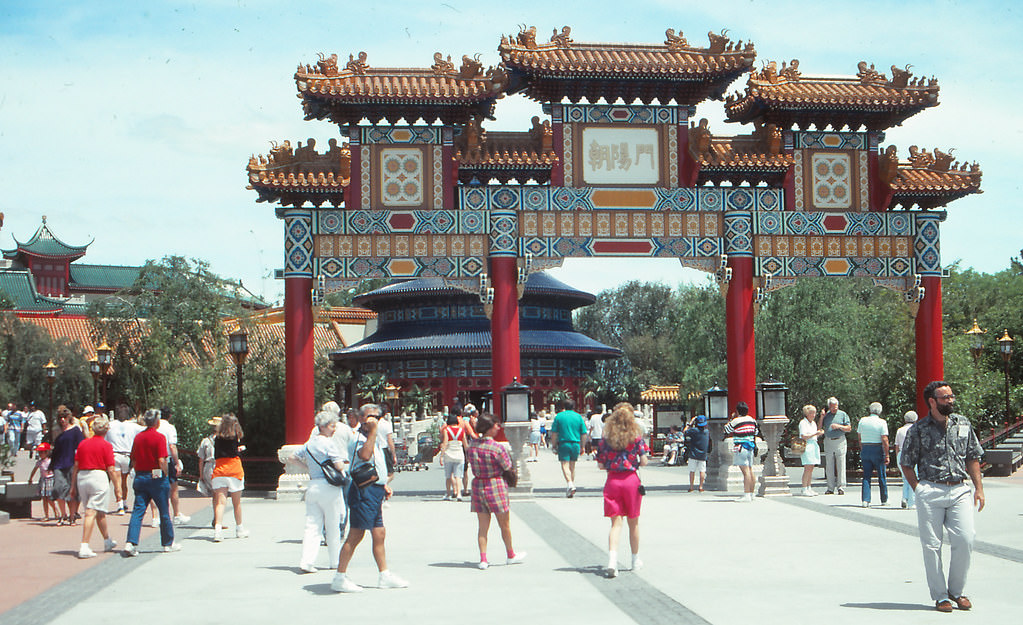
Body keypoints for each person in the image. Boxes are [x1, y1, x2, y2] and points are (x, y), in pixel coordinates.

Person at [901, 381, 984, 612]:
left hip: (959, 490)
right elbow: (906, 463)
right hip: (931, 490)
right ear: (932, 401)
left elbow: (973, 457)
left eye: (951, 396)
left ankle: (956, 591)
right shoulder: (918, 429)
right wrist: (918, 488)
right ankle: (940, 596)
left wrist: (979, 488)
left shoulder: (963, 423)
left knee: (966, 539)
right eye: (945, 397)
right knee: (932, 545)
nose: (950, 400)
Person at [331, 404, 408, 593]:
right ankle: (340, 576)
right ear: (361, 418)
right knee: (356, 533)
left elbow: (377, 466)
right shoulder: (358, 438)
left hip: (375, 489)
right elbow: (365, 456)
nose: (373, 420)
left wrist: (384, 484)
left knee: (379, 532)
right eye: (369, 416)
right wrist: (373, 432)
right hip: (362, 492)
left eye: (377, 417)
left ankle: (385, 574)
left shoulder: (375, 438)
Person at [465, 413, 526, 571]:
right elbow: (507, 467)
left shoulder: (473, 446)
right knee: (504, 524)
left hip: (478, 485)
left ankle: (483, 559)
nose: (498, 427)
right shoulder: (497, 448)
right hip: (495, 484)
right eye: (496, 425)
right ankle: (510, 554)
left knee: (482, 526)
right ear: (489, 428)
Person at [595, 403, 649, 578]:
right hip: (631, 480)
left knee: (615, 523)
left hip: (612, 481)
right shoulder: (636, 438)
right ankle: (635, 560)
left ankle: (612, 560)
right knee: (633, 522)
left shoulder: (605, 440)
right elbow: (644, 461)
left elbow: (601, 465)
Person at [292, 410, 349, 573]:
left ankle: (307, 561)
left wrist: (308, 468)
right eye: (332, 426)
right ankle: (335, 561)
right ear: (323, 427)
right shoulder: (329, 444)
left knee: (312, 525)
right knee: (332, 525)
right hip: (329, 488)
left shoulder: (309, 444)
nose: (334, 429)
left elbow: (292, 457)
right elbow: (338, 466)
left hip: (313, 485)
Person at [124, 408, 179, 555]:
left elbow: (133, 458)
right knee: (164, 511)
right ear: (157, 421)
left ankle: (131, 542)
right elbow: (162, 460)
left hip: (141, 476)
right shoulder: (159, 437)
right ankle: (168, 542)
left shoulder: (138, 437)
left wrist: (139, 470)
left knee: (138, 510)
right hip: (156, 476)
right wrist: (165, 475)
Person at [70, 415, 120, 558]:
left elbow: (76, 466)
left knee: (99, 511)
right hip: (98, 476)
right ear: (106, 430)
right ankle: (84, 545)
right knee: (92, 512)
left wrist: (72, 486)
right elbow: (111, 469)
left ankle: (107, 540)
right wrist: (117, 488)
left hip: (82, 477)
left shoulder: (83, 444)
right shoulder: (106, 446)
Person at [211, 413, 248, 541]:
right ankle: (239, 529)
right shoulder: (235, 437)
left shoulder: (217, 438)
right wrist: (240, 450)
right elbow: (233, 453)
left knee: (220, 503)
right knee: (236, 503)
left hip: (219, 471)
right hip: (234, 471)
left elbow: (217, 455)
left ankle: (217, 531)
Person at [50, 406, 85, 525]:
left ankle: (72, 516)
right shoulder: (58, 433)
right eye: (60, 418)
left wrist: (80, 463)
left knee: (73, 491)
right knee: (58, 489)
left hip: (72, 464)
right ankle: (62, 515)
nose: (62, 420)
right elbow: (55, 452)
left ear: (69, 418)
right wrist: (51, 466)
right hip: (59, 465)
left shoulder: (75, 431)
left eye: (64, 417)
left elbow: (81, 447)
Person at [104, 405, 139, 515]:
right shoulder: (134, 426)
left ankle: (120, 505)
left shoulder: (110, 425)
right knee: (124, 481)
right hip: (128, 455)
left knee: (116, 482)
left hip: (115, 455)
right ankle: (124, 502)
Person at [550, 398, 587, 497]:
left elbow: (554, 433)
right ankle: (570, 487)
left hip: (564, 443)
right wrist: (583, 446)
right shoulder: (578, 417)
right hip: (575, 443)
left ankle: (570, 484)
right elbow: (583, 433)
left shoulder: (559, 416)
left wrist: (553, 445)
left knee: (564, 464)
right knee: (572, 466)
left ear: (564, 406)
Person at [722, 402, 758, 502]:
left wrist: (732, 419)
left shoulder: (736, 421)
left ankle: (746, 494)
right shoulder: (752, 420)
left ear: (737, 411)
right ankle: (751, 493)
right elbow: (756, 432)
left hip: (740, 447)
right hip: (750, 446)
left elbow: (726, 430)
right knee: (750, 470)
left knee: (745, 472)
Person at [857, 402, 890, 507]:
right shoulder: (882, 422)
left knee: (866, 476)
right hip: (877, 448)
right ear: (880, 411)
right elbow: (884, 439)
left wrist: (862, 448)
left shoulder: (862, 421)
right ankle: (884, 499)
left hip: (866, 447)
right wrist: (887, 454)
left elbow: (859, 436)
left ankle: (865, 500)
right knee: (881, 475)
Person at [819, 397, 851, 495]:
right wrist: (821, 417)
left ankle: (841, 487)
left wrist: (839, 426)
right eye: (832, 407)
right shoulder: (827, 415)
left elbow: (849, 428)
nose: (834, 409)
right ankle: (830, 488)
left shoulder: (843, 414)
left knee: (841, 463)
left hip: (840, 440)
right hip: (829, 441)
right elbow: (819, 428)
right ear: (829, 407)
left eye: (836, 407)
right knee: (829, 464)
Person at [439, 414, 467, 501]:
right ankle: (459, 494)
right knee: (458, 476)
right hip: (459, 455)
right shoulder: (462, 430)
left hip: (449, 455)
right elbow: (465, 444)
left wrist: (441, 455)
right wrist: (468, 455)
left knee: (448, 476)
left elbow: (445, 443)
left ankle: (448, 494)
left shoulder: (446, 430)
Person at [798, 405, 824, 496]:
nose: (813, 415)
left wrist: (818, 434)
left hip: (814, 444)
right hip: (807, 445)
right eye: (811, 413)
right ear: (807, 414)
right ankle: (804, 488)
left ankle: (809, 487)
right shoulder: (803, 423)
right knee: (807, 467)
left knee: (811, 467)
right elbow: (803, 436)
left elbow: (814, 435)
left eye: (814, 413)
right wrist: (815, 433)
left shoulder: (813, 423)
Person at [895, 410, 919, 509]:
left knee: (905, 478)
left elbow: (896, 445)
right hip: (913, 454)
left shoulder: (900, 430)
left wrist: (897, 456)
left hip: (901, 453)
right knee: (913, 478)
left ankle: (904, 498)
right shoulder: (916, 429)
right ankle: (911, 502)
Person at [196, 416, 219, 517]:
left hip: (208, 467)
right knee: (220, 493)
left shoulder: (205, 441)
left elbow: (201, 460)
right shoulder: (225, 440)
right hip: (220, 466)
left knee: (215, 493)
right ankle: (218, 518)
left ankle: (216, 516)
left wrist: (201, 475)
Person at [28, 442, 56, 521]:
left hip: (50, 479)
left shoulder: (50, 461)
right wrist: (30, 478)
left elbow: (54, 470)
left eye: (42, 452)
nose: (40, 454)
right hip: (43, 480)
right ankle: (46, 515)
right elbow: (34, 470)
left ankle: (55, 510)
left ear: (47, 452)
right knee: (44, 498)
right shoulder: (39, 462)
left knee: (50, 498)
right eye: (39, 452)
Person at [684, 415, 710, 491]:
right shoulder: (707, 432)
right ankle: (701, 487)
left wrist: (690, 423)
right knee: (702, 471)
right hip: (703, 455)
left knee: (692, 471)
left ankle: (691, 487)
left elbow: (684, 431)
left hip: (693, 454)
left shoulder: (694, 430)